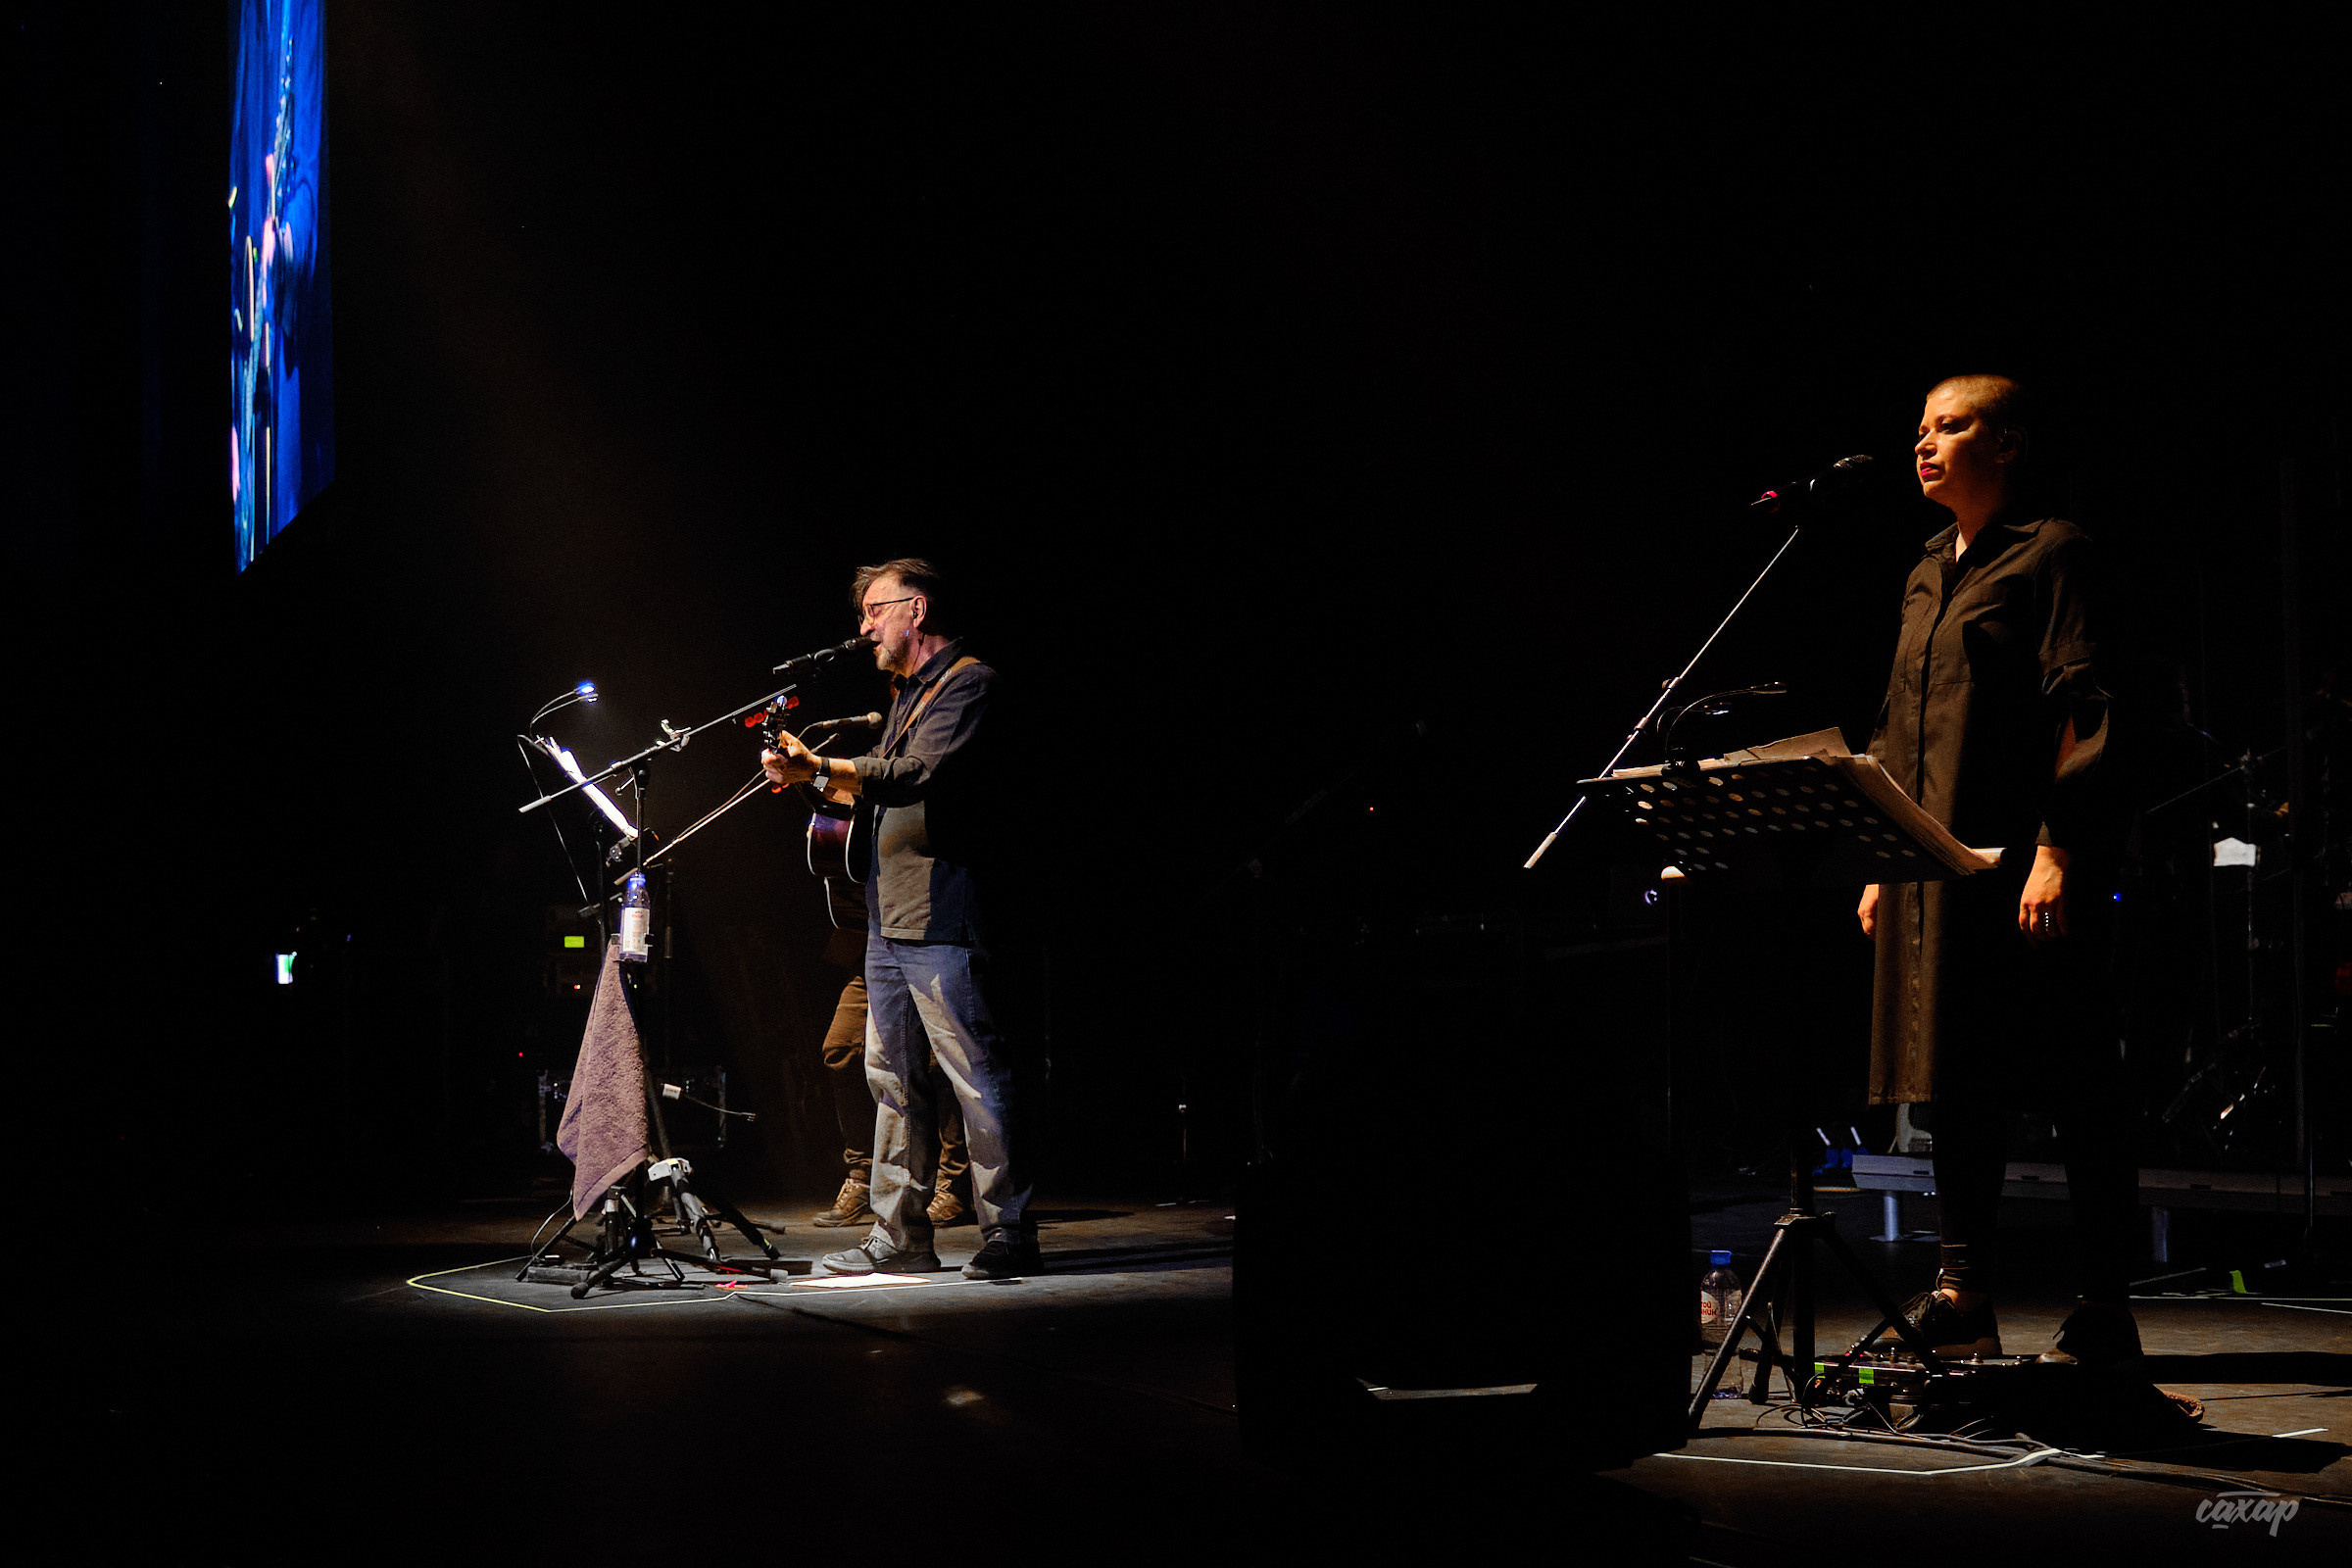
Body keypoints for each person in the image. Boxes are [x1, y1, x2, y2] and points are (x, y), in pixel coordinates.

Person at [1857, 374, 2142, 1370]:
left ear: (2008, 442)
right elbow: (1902, 727)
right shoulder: (1927, 568)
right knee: (1956, 1088)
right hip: (1935, 875)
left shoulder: (2052, 550)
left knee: (2075, 1085)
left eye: (1950, 425)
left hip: (2026, 867)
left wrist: (2059, 848)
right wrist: (1880, 859)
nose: (1925, 443)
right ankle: (1963, 1290)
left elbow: (2088, 707)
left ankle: (2105, 1304)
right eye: (1920, 428)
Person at [763, 559, 1038, 1280]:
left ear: (915, 610)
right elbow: (875, 794)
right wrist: (811, 780)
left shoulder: (969, 683)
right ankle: (899, 1238)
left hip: (943, 913)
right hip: (889, 915)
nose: (865, 627)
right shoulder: (905, 696)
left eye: (875, 611)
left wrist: (823, 769)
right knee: (891, 1078)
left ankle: (1008, 1229)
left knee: (974, 1076)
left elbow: (918, 774)